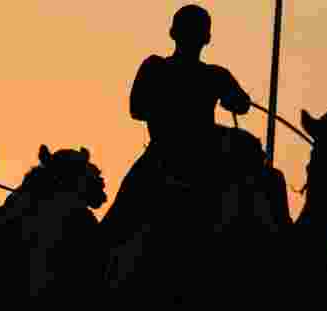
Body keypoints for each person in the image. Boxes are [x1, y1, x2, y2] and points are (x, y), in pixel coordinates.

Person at [101, 4, 253, 247]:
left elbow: (136, 109)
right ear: (208, 38)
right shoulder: (210, 75)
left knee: (113, 227)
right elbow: (137, 109)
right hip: (175, 158)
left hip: (174, 157)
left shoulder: (166, 69)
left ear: (173, 33)